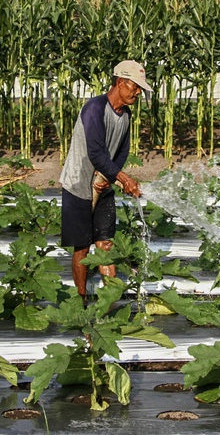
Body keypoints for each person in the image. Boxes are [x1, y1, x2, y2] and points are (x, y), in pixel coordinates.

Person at [60, 59, 152, 301]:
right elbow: (96, 151)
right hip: (78, 184)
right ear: (121, 82)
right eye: (135, 87)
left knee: (105, 243)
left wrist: (110, 179)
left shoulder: (125, 115)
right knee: (82, 247)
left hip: (104, 181)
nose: (138, 92)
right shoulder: (95, 108)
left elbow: (121, 152)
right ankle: (81, 300)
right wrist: (122, 178)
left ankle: (112, 298)